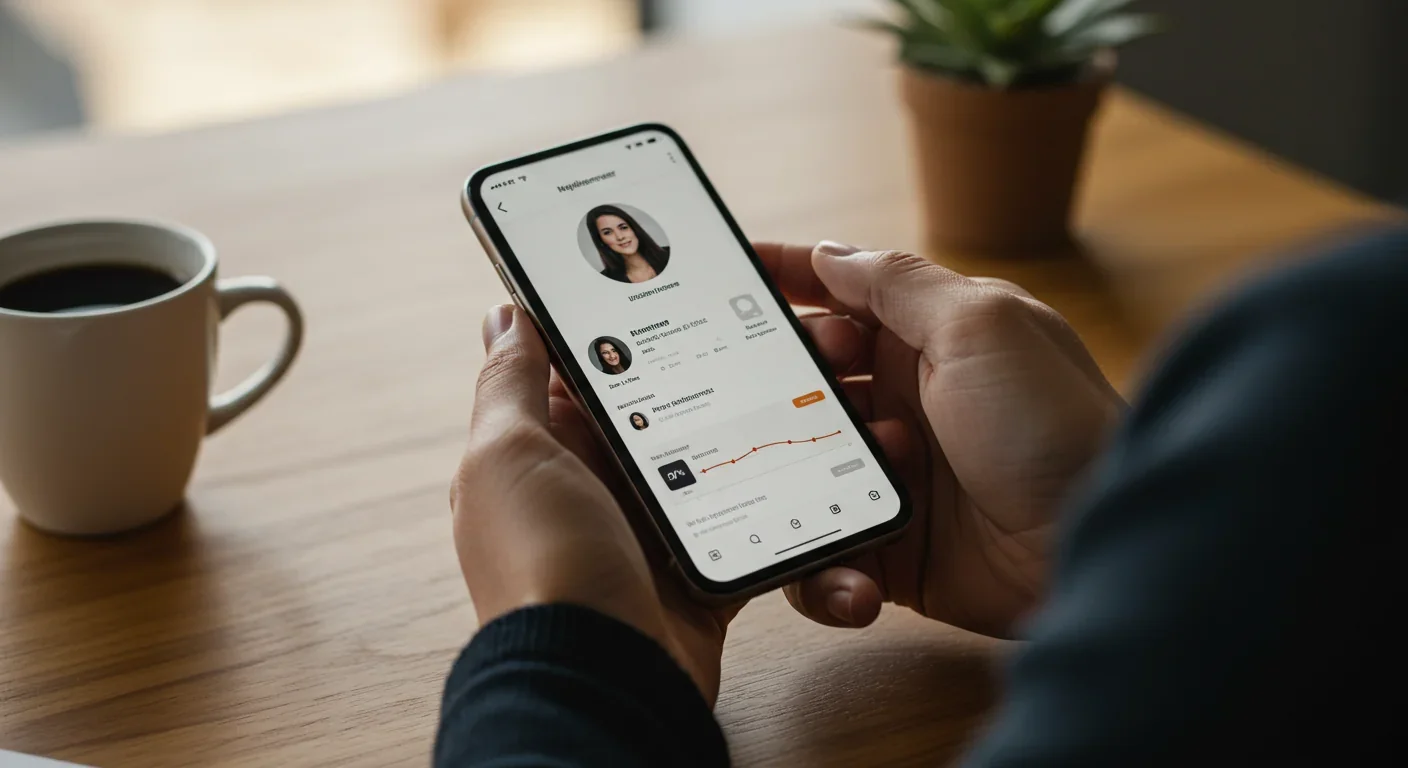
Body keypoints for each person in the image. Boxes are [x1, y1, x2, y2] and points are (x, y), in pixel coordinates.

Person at [438, 231, 1405, 766]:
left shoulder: (1354, 352)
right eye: (602, 235)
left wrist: (570, 651)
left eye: (621, 226)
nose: (616, 237)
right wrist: (1091, 554)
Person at [586, 204, 670, 283]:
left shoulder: (670, 254)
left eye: (623, 228)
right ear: (600, 240)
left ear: (634, 229)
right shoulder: (604, 281)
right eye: (608, 232)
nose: (620, 237)